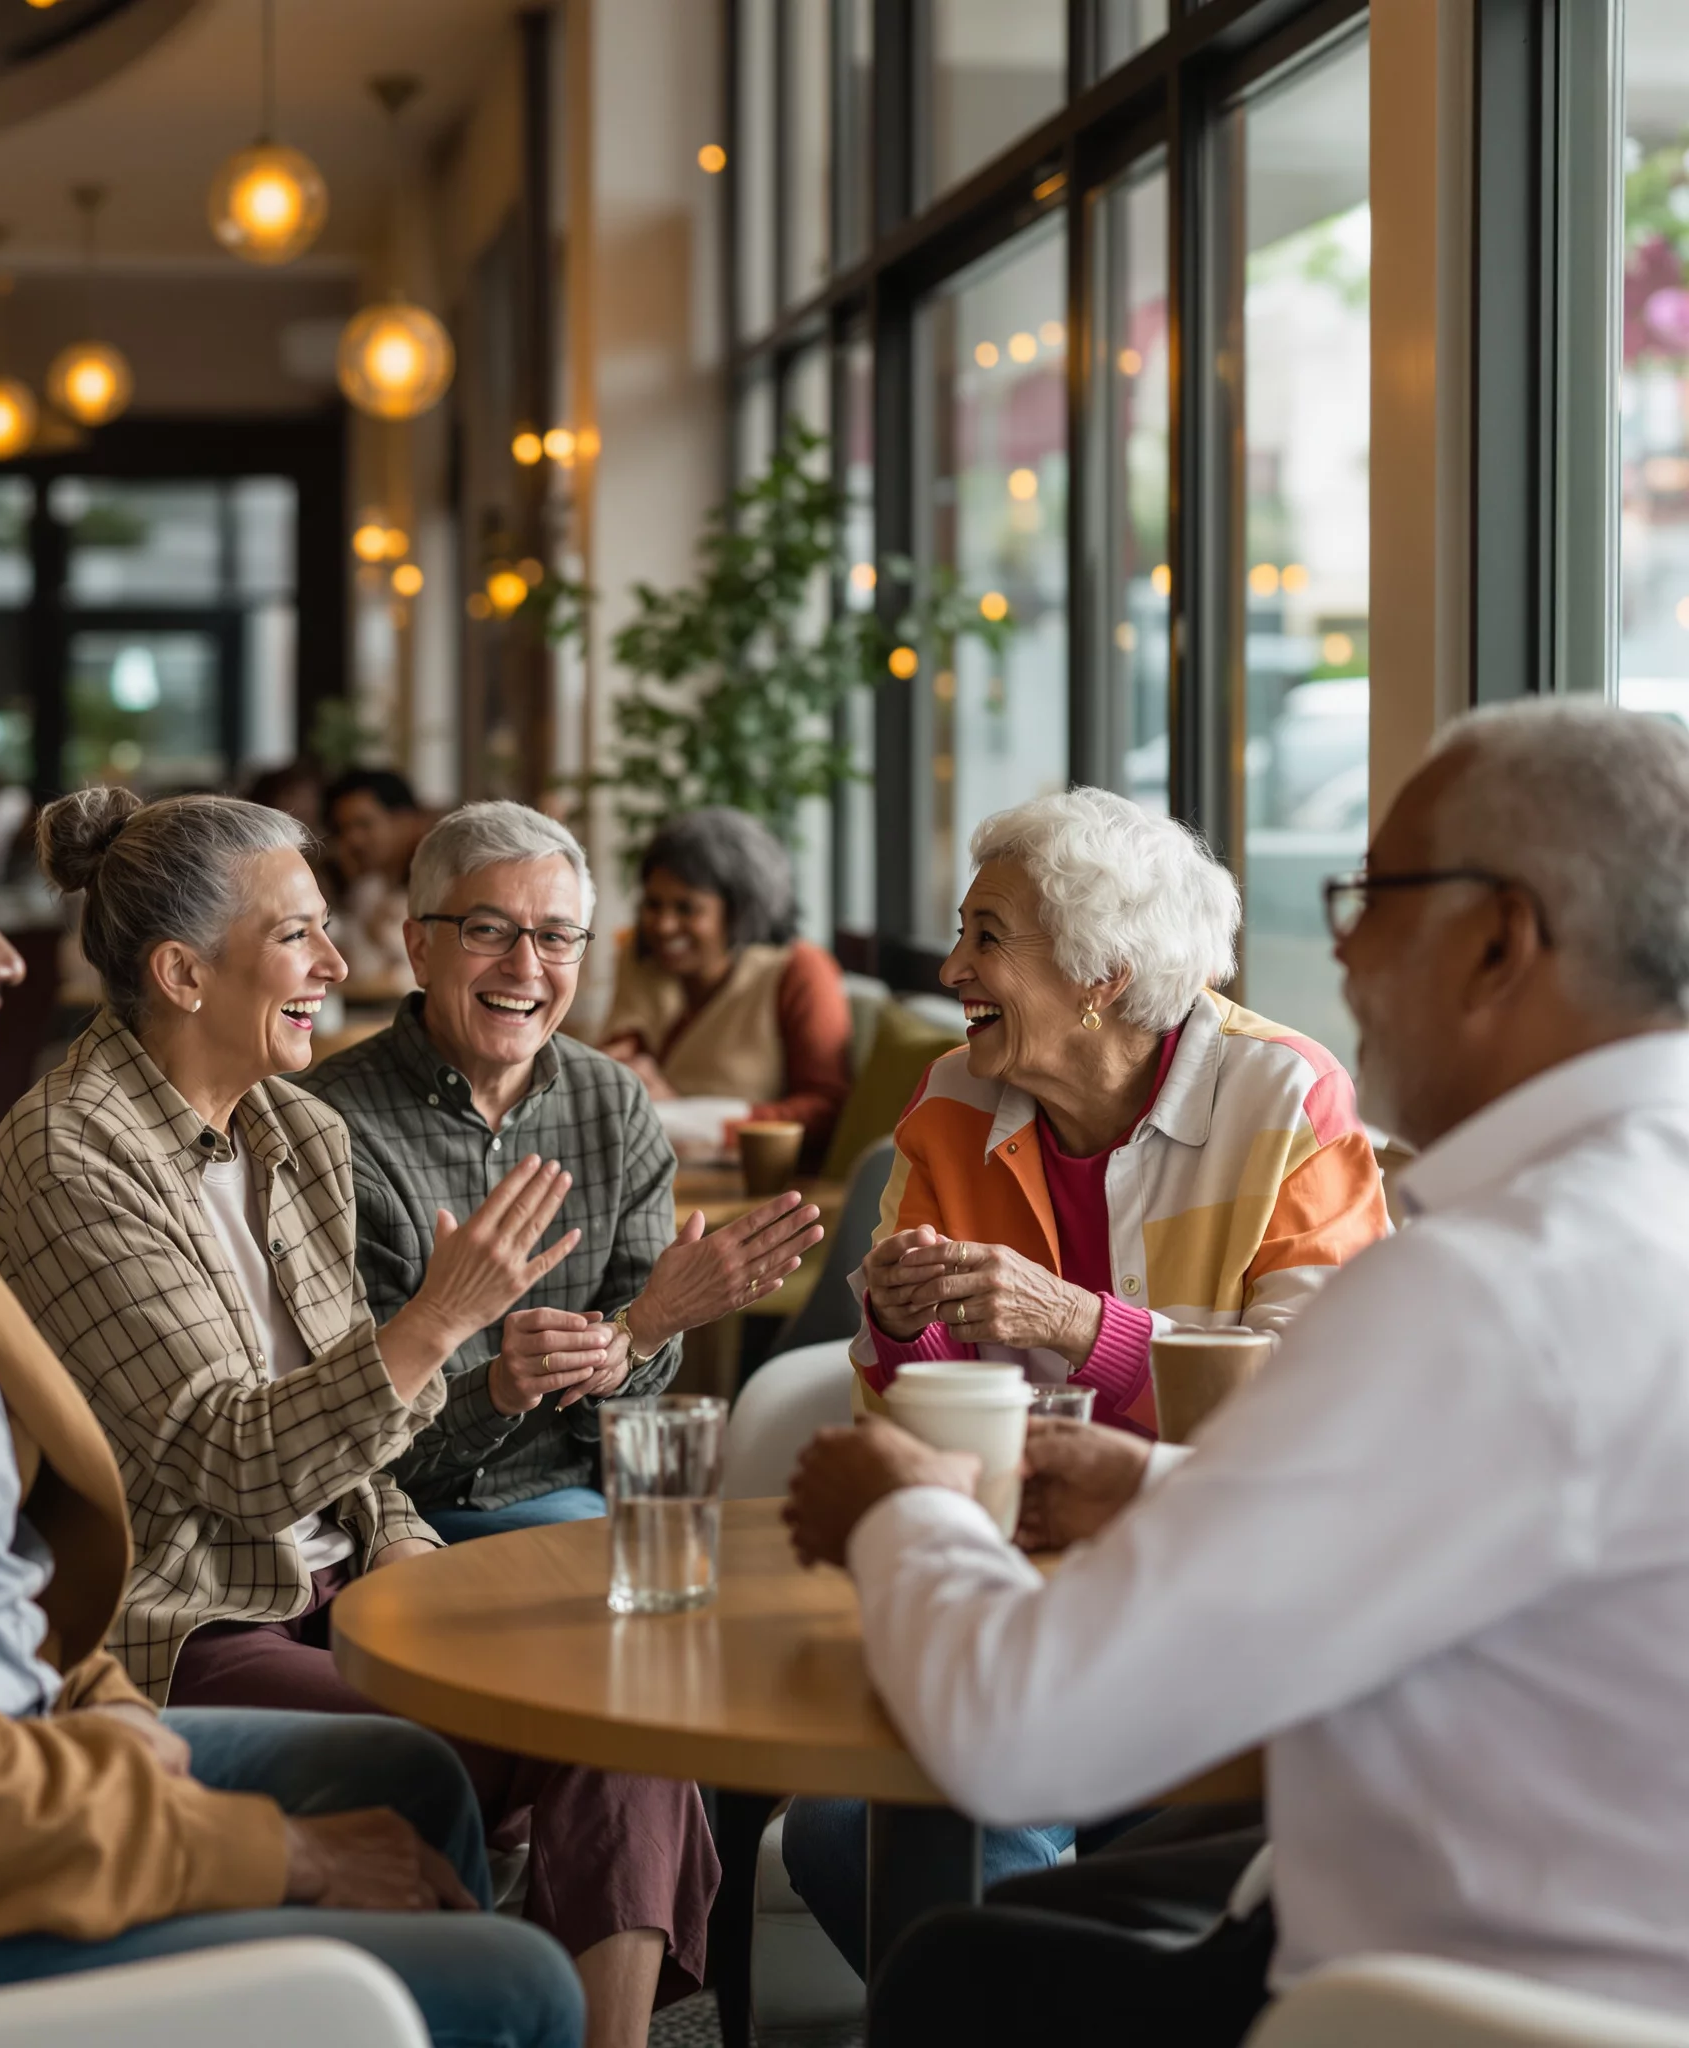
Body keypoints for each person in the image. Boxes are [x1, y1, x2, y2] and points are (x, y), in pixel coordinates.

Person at [0, 743, 581, 2047]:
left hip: (11, 1746)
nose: (16, 963)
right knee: (515, 1988)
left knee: (398, 1772)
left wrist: (106, 1719)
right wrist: (270, 1856)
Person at [786, 698, 1689, 2041]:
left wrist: (895, 1507)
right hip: (1597, 1931)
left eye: (1371, 894)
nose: (1336, 942)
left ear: (1500, 941)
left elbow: (1017, 1731)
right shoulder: (1621, 1222)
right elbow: (1486, 1516)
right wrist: (1153, 1487)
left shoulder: (1482, 1287)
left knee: (952, 1967)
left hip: (1447, 1986)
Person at [0, 787, 718, 2048]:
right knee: (456, 1748)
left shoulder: (291, 1131)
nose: (337, 962)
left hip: (341, 1586)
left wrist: (428, 1585)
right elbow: (237, 1467)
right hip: (187, 1618)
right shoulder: (69, 1159)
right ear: (182, 972)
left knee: (620, 1694)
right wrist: (439, 1315)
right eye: (300, 933)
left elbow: (362, 1480)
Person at [782, 785, 1389, 1973]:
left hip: (1215, 1607)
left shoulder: (1282, 1097)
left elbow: (1315, 1407)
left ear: (1102, 972)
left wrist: (1081, 1323)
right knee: (840, 1830)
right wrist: (905, 1327)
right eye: (959, 933)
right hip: (1004, 1589)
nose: (952, 964)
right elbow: (905, 1431)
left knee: (960, 1838)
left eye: (986, 938)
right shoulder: (954, 1099)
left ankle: (1017, 1985)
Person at [306, 799, 826, 1540]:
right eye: (488, 931)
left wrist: (642, 1332)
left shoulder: (613, 1104)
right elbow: (338, 1432)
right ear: (419, 948)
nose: (526, 967)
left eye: (557, 937)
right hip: (370, 1526)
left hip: (564, 1507)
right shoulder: (323, 1126)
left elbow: (625, 1414)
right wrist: (497, 1388)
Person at [598, 808, 851, 1166]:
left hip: (746, 1181)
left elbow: (825, 1111)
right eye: (653, 905)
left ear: (738, 912)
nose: (664, 925)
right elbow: (619, 1057)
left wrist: (694, 1119)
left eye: (687, 909)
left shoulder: (800, 970)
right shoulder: (640, 959)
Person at [326, 767, 425, 1002]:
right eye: (343, 829)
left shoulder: (441, 890)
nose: (352, 839)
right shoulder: (366, 888)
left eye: (364, 824)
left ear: (406, 821)